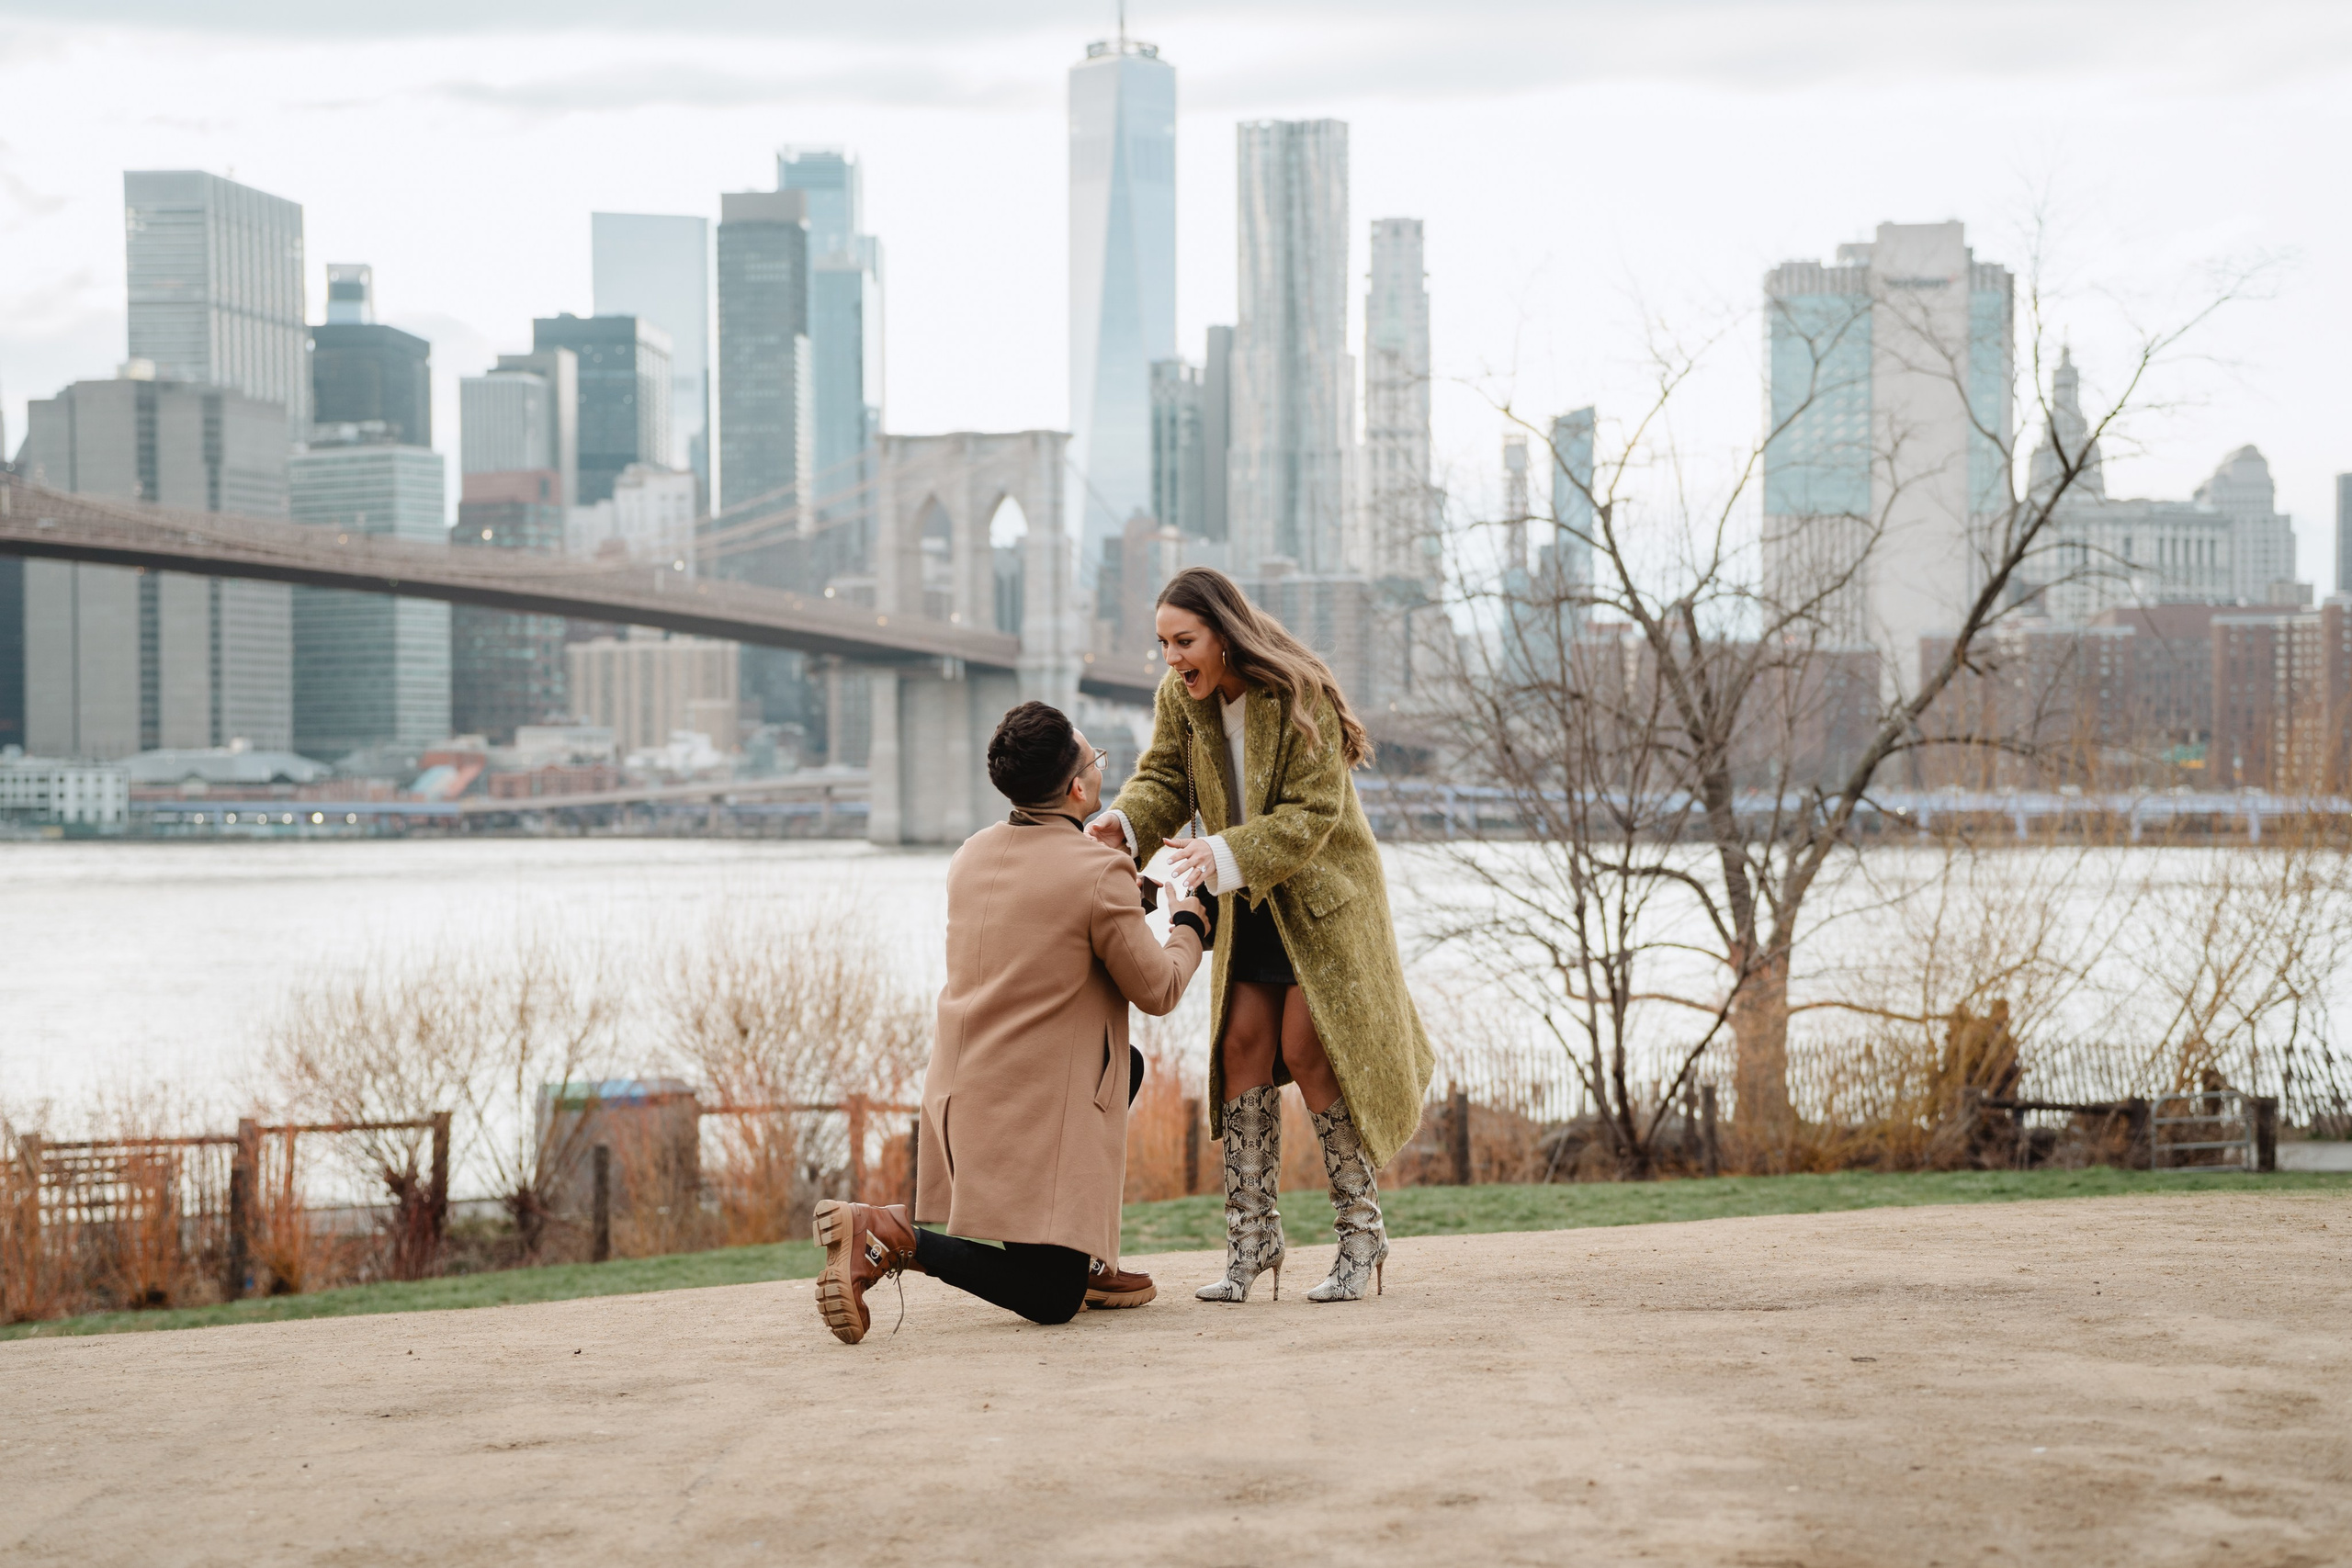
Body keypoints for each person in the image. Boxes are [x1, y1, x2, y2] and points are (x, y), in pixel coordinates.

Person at [1090, 566, 1435, 1304]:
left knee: (1310, 1048)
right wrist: (1124, 821)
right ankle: (1254, 1239)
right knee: (1243, 1047)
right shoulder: (1179, 700)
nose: (1171, 658)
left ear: (1224, 633)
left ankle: (1362, 1232)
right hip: (1247, 898)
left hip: (1319, 900)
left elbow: (1315, 813)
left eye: (1184, 641)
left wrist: (1220, 853)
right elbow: (1162, 780)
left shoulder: (1297, 692)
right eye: (1161, 643)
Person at [813, 701, 1208, 1345]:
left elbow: (1042, 940)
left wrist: (1120, 902)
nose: (1097, 770)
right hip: (1033, 1118)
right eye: (1094, 760)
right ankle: (893, 1234)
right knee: (1052, 1299)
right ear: (1080, 787)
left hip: (964, 1101)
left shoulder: (971, 854)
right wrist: (1190, 922)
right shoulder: (1097, 871)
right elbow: (1159, 988)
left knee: (1124, 1066)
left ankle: (1083, 1255)